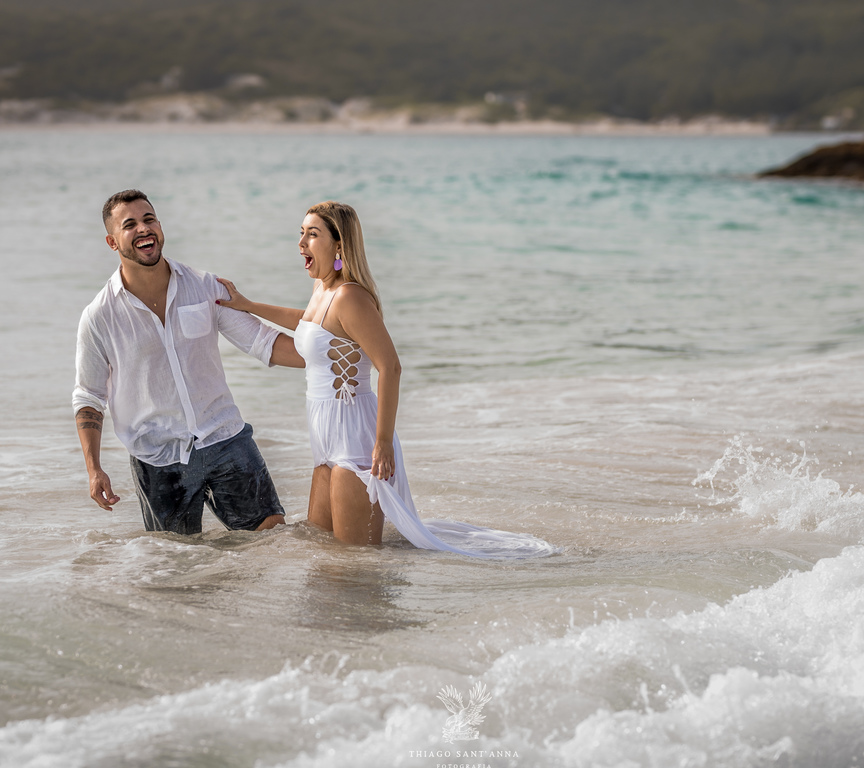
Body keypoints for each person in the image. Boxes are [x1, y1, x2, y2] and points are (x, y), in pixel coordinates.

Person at [216, 201, 555, 558]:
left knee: (358, 563)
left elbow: (390, 367)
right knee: (320, 552)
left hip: (355, 440)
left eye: (312, 235)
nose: (301, 243)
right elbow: (308, 322)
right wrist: (248, 305)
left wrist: (382, 442)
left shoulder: (350, 296)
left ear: (339, 244)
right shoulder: (323, 290)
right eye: (301, 233)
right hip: (325, 438)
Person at [72, 189, 304, 536]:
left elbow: (264, 343)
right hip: (158, 459)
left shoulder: (205, 286)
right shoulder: (100, 316)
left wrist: (335, 356)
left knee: (272, 541)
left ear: (160, 226)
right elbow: (89, 397)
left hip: (225, 439)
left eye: (149, 219)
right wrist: (94, 469)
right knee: (178, 563)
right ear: (112, 241)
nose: (143, 229)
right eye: (130, 225)